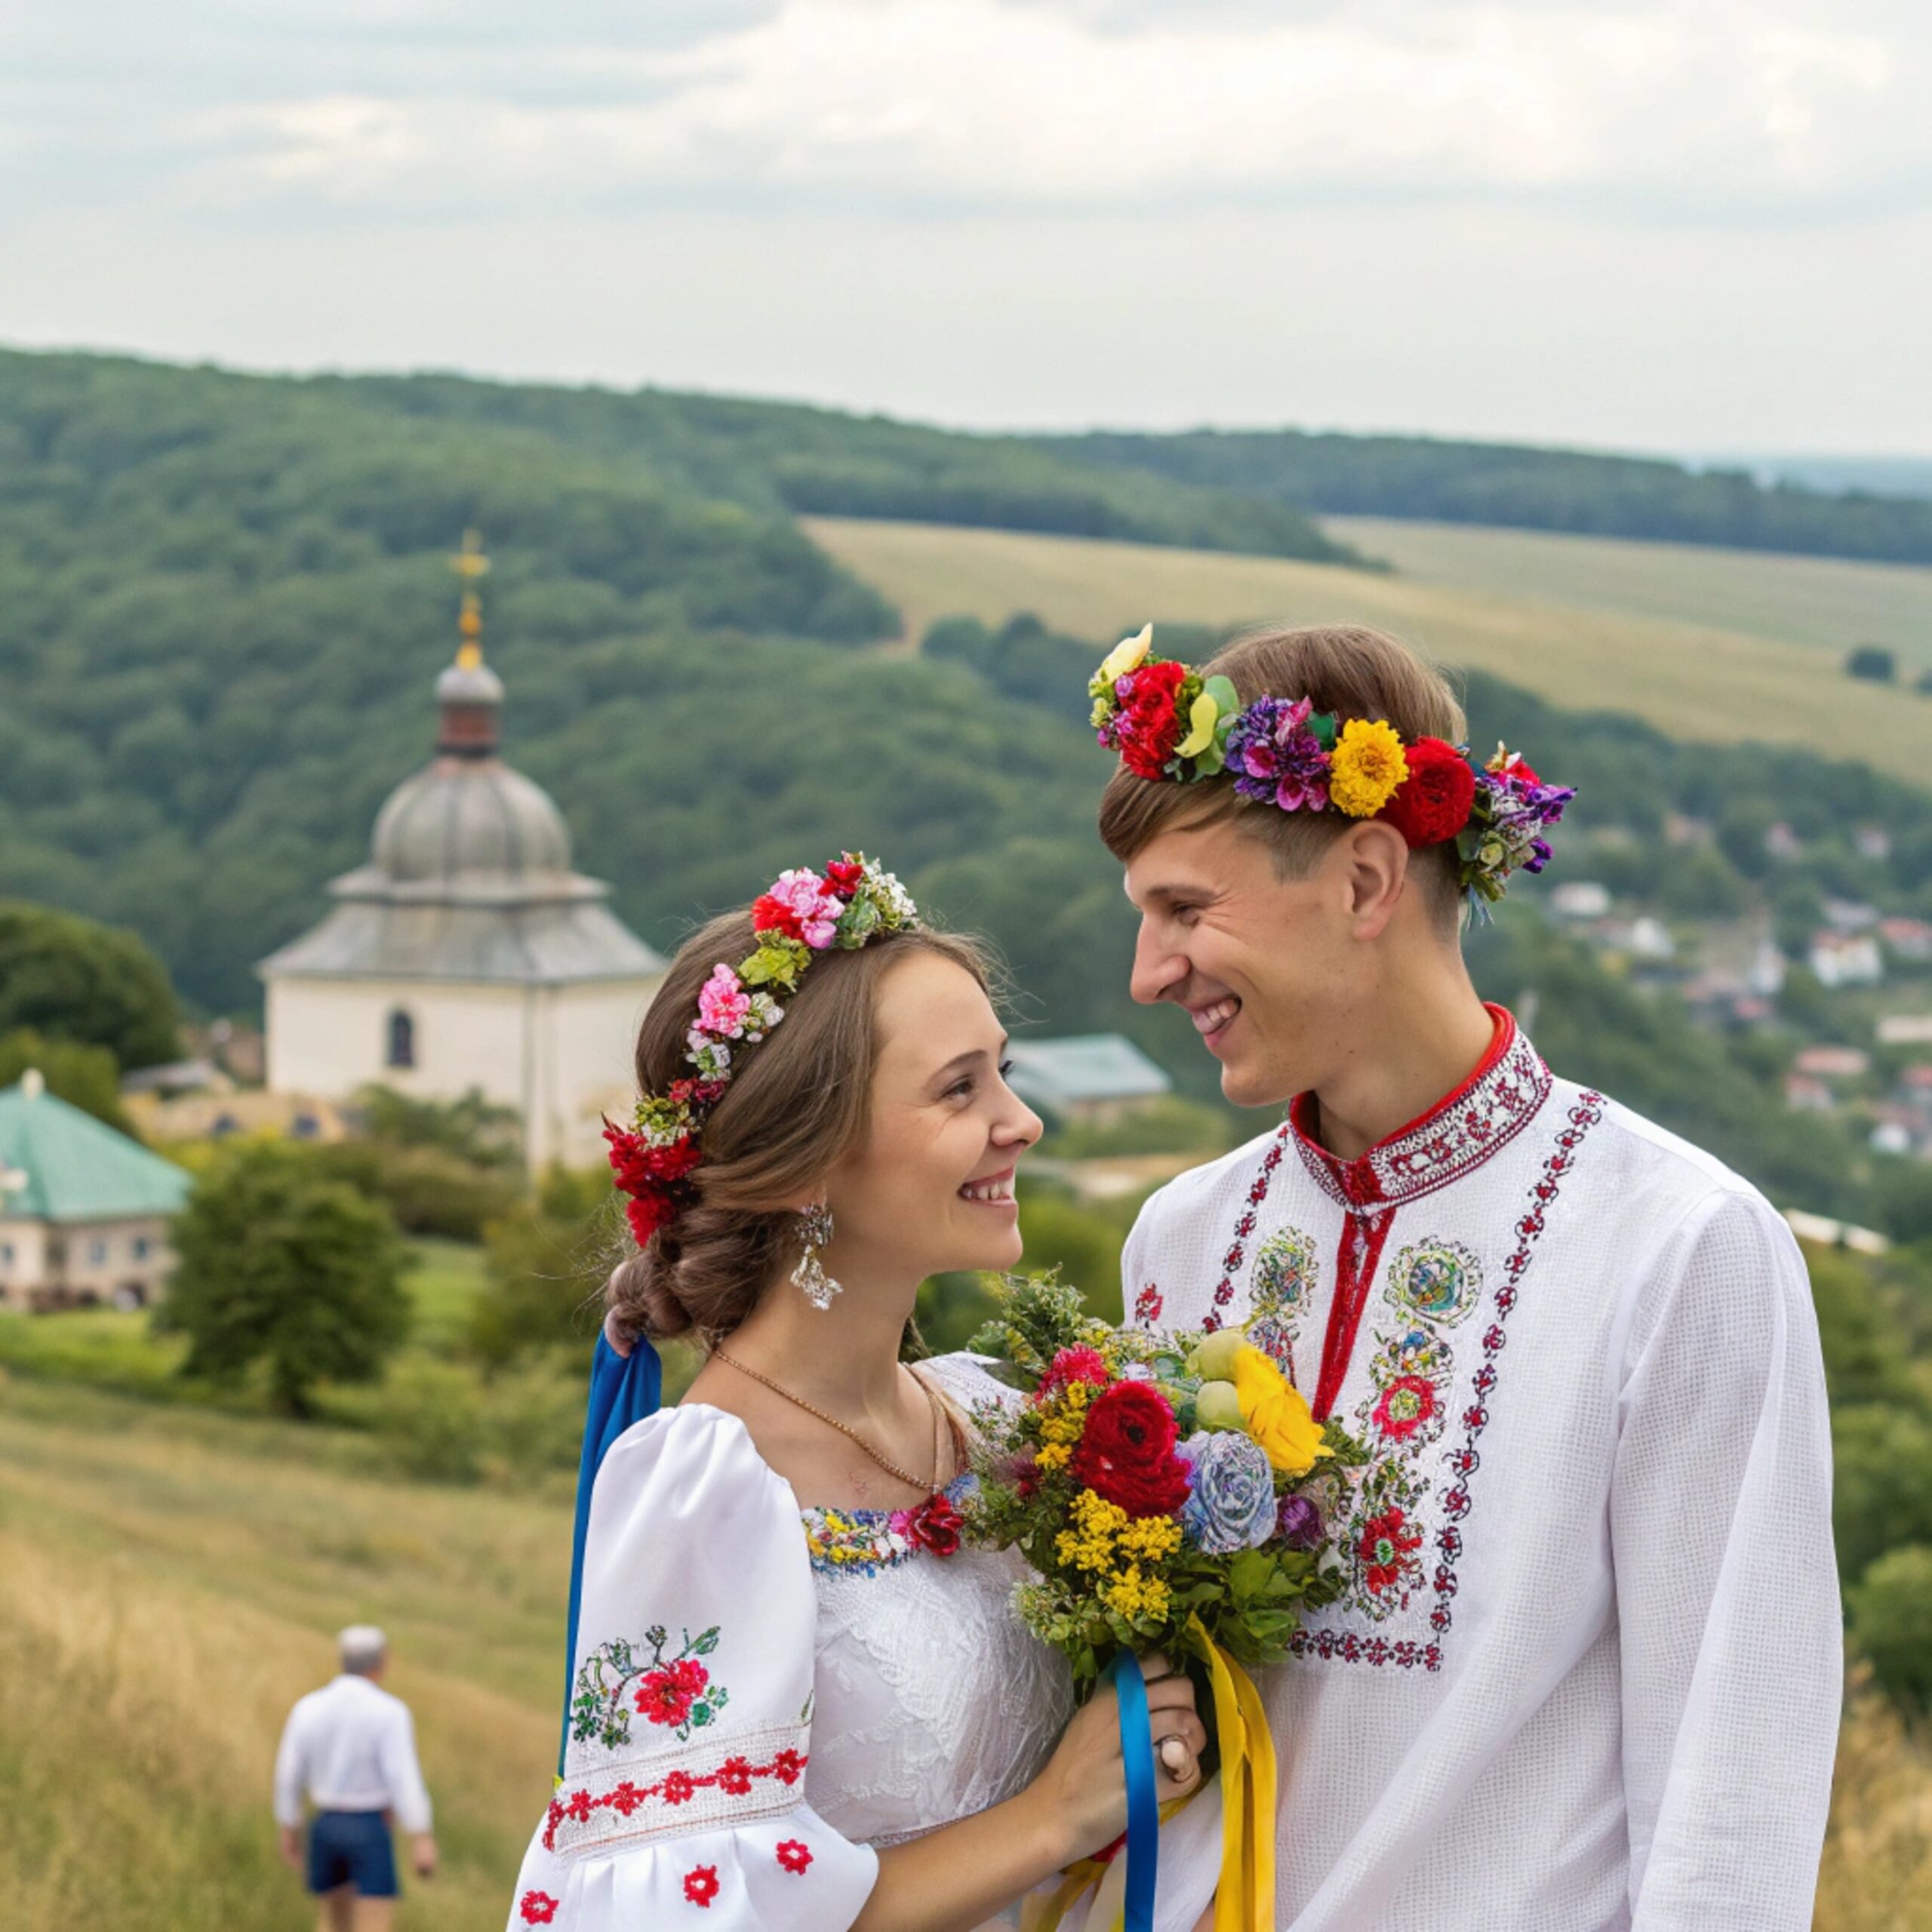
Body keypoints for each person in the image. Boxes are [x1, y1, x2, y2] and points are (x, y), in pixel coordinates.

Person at [1089, 623, 1841, 1931]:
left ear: (1369, 880)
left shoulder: (1681, 1246)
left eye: (1186, 910)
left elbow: (1734, 1769)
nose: (1150, 974)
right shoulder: (1182, 1239)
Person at [504, 855, 1211, 1932]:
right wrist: (1054, 1817)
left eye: (1003, 1072)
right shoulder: (706, 1490)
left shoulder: (998, 1423)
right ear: (804, 1168)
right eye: (959, 1088)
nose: (1021, 1121)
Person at [275, 1624, 437, 1932]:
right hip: (369, 1827)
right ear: (381, 1662)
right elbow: (403, 1778)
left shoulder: (308, 1707)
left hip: (325, 1825)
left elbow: (289, 1774)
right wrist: (421, 1836)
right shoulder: (389, 1712)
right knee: (373, 1923)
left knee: (332, 1922)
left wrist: (289, 1827)